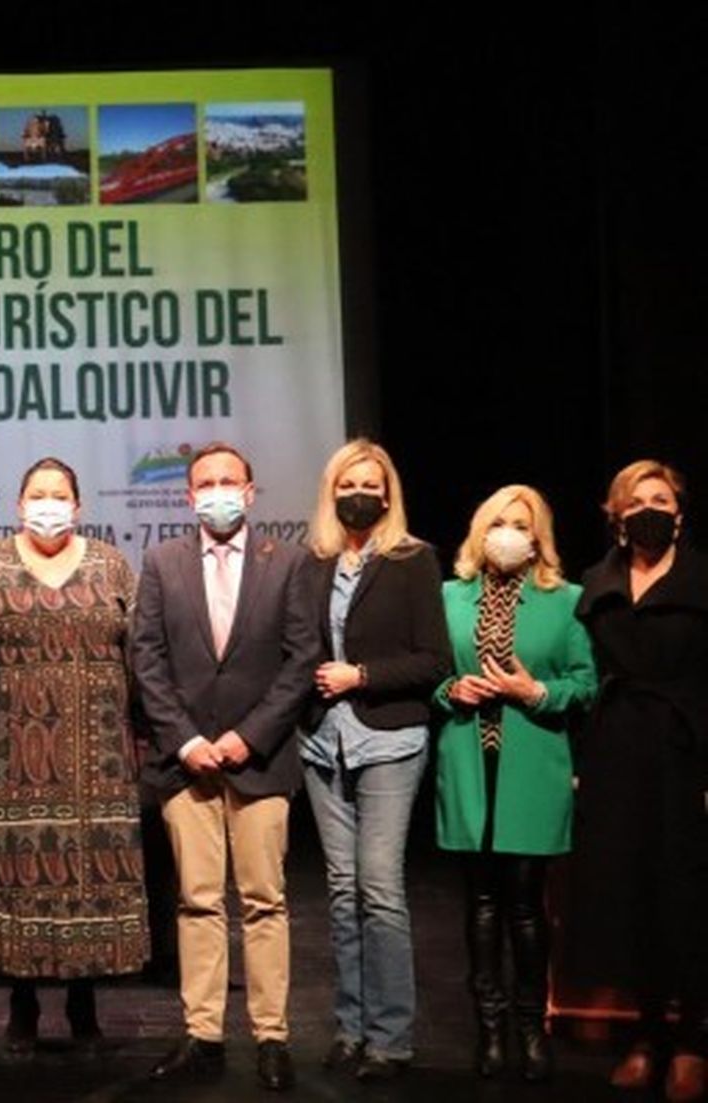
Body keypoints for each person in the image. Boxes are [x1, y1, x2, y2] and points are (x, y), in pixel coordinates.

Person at [131, 442, 318, 1092]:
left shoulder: (288, 562)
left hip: (260, 760)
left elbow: (301, 660)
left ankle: (271, 1034)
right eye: (204, 482)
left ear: (251, 490)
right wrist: (185, 740)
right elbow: (146, 659)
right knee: (198, 901)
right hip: (187, 765)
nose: (217, 490)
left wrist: (248, 735)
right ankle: (202, 1033)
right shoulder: (160, 561)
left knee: (265, 901)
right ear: (189, 496)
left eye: (228, 480)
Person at [0, 458, 150, 1058]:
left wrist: (142, 733)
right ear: (19, 505)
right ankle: (21, 1003)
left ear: (79, 505)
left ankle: (82, 1002)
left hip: (99, 753)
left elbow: (140, 654)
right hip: (9, 749)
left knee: (90, 875)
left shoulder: (111, 564)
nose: (48, 503)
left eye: (59, 494)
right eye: (37, 495)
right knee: (20, 875)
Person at [300, 439, 452, 1081]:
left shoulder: (414, 560)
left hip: (388, 736)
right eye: (346, 483)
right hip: (322, 741)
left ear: (387, 494)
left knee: (380, 888)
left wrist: (361, 675)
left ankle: (390, 1038)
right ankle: (350, 1026)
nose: (358, 494)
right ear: (332, 492)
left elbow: (433, 661)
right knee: (340, 891)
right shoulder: (313, 562)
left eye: (370, 483)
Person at [432, 485, 596, 1082]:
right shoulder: (450, 597)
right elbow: (431, 672)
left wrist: (537, 692)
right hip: (469, 760)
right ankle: (491, 1032)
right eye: (498, 521)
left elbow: (586, 682)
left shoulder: (567, 600)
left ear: (538, 537)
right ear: (480, 531)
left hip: (532, 765)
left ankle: (532, 1031)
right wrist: (451, 690)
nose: (508, 532)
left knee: (525, 908)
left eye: (521, 524)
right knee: (479, 905)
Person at [569, 460, 706, 1102]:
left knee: (686, 895)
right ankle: (646, 1034)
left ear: (679, 512)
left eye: (660, 498)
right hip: (617, 750)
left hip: (685, 747)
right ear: (616, 516)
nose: (647, 508)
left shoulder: (703, 578)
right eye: (635, 500)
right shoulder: (597, 582)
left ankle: (691, 1041)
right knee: (631, 895)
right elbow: (588, 672)